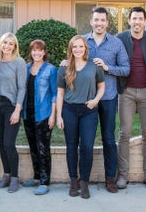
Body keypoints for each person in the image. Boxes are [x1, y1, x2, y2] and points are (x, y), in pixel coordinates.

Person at [82, 7, 130, 193]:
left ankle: (110, 178)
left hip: (109, 97)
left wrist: (108, 67)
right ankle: (83, 178)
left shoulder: (116, 43)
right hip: (87, 98)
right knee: (86, 140)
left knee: (109, 139)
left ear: (107, 23)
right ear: (91, 21)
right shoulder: (83, 41)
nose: (99, 23)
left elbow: (126, 69)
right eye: (96, 20)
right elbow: (74, 63)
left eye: (102, 20)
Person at [56, 35, 105, 199]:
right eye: (74, 47)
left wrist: (95, 101)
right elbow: (60, 94)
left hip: (89, 110)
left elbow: (101, 88)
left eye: (81, 46)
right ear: (70, 49)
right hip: (69, 111)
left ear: (85, 48)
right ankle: (73, 181)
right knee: (71, 146)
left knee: (87, 147)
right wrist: (58, 116)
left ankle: (84, 181)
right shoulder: (64, 68)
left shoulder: (94, 67)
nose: (78, 49)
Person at [116, 7, 146, 190]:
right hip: (126, 92)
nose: (137, 22)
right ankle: (123, 175)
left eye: (140, 19)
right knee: (124, 133)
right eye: (134, 18)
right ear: (129, 20)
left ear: (145, 21)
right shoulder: (121, 38)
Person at [0, 32, 27, 193]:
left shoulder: (19, 62)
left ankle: (15, 178)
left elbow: (22, 87)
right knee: (1, 143)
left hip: (11, 106)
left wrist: (17, 110)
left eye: (11, 44)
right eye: (5, 42)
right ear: (0, 44)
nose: (7, 46)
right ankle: (6, 175)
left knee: (8, 143)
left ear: (15, 47)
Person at [21, 39, 57, 195]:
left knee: (43, 148)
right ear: (31, 52)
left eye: (39, 50)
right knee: (33, 147)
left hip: (44, 113)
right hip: (27, 114)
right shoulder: (26, 68)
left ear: (44, 52)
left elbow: (55, 93)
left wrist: (53, 116)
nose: (36, 53)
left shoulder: (51, 70)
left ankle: (44, 181)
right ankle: (36, 177)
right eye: (34, 50)